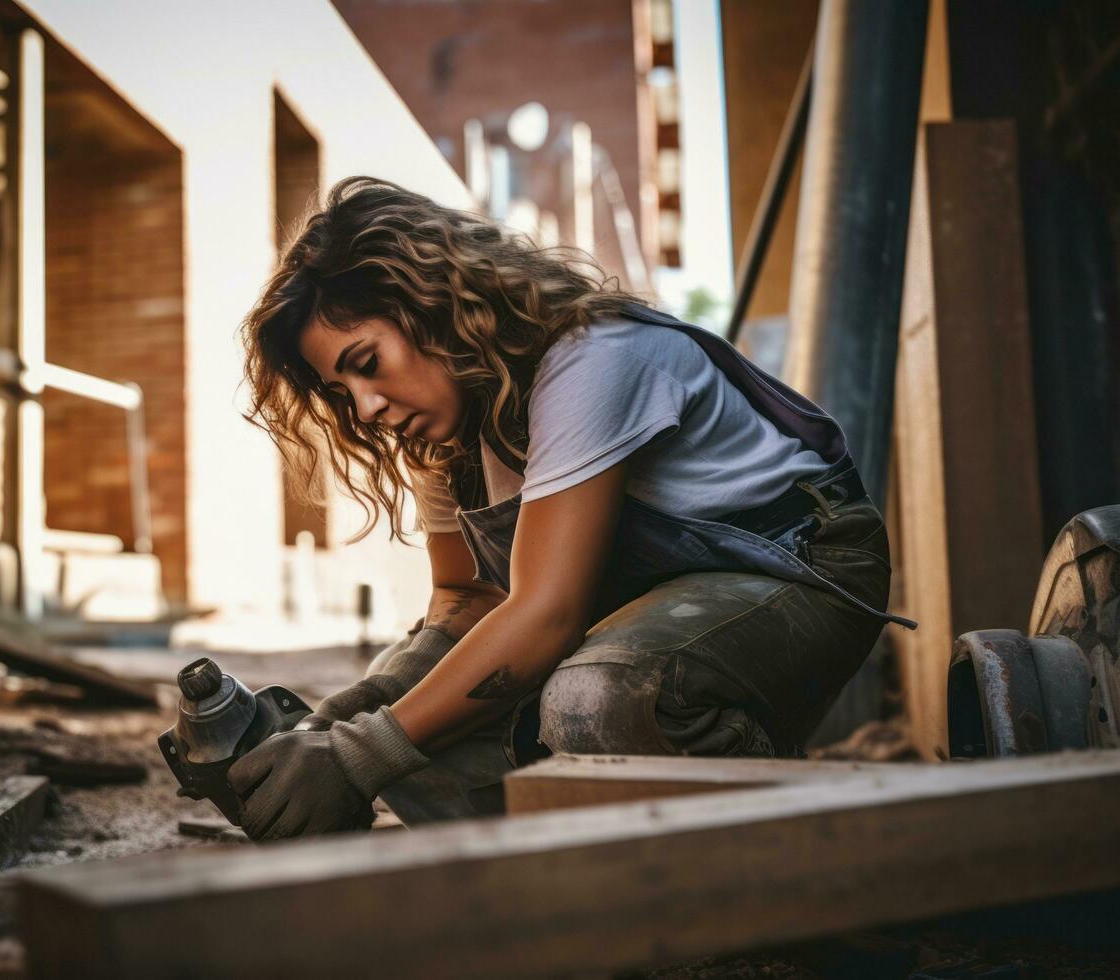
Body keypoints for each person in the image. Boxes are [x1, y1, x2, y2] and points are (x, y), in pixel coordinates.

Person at [230, 176, 913, 840]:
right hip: (635, 611)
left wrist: (359, 753)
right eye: (342, 391)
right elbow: (465, 601)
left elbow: (545, 614)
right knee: (415, 733)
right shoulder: (442, 439)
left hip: (798, 568)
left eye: (367, 363)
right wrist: (333, 729)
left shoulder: (589, 360)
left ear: (432, 305)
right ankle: (604, 888)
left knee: (600, 696)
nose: (367, 407)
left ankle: (808, 862)